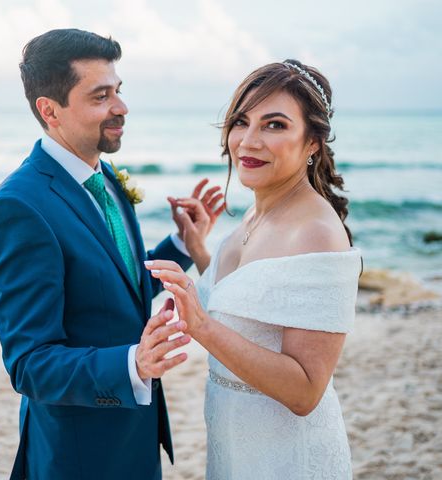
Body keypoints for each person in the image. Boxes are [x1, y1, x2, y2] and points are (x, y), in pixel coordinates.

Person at [0, 29, 223, 479]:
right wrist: (134, 363)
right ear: (49, 110)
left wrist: (183, 245)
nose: (121, 108)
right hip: (80, 454)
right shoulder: (18, 208)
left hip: (134, 434)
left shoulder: (104, 175)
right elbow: (30, 364)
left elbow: (115, 287)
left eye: (119, 91)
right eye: (100, 96)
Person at [145, 60, 361, 478]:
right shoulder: (255, 214)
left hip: (285, 456)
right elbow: (253, 305)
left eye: (275, 125)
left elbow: (305, 391)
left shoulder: (315, 232)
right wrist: (201, 251)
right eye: (241, 122)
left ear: (313, 141)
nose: (249, 141)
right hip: (234, 445)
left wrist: (202, 326)